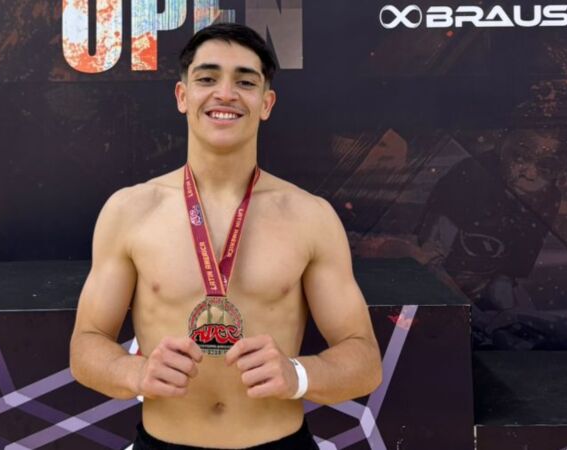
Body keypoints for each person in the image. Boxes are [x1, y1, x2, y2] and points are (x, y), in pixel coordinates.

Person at [69, 23, 382, 449]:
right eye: (207, 78)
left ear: (266, 103)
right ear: (182, 96)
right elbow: (85, 346)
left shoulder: (310, 216)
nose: (225, 93)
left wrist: (298, 374)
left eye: (245, 82)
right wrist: (134, 372)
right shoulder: (130, 211)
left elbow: (364, 360)